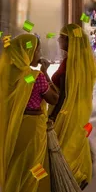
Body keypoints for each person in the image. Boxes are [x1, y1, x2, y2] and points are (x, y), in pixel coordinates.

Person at [0, 34, 59, 192]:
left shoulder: (6, 74)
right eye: (38, 51)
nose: (39, 55)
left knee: (15, 164)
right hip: (32, 130)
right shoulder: (35, 77)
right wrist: (45, 72)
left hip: (11, 126)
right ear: (29, 53)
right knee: (32, 165)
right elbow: (53, 98)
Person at [46, 24, 96, 190]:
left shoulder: (70, 63)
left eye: (62, 37)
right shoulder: (85, 60)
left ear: (70, 41)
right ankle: (78, 176)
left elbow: (64, 95)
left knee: (64, 145)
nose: (59, 40)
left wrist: (53, 117)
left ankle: (70, 179)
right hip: (80, 110)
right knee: (75, 141)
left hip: (66, 111)